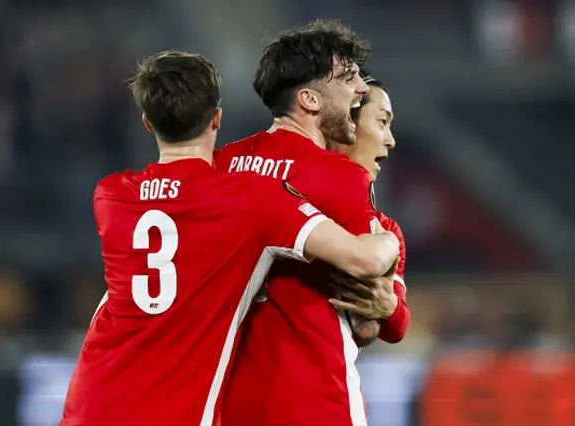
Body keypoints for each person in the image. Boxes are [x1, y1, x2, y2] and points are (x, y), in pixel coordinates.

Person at [59, 50, 400, 426]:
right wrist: (390, 240)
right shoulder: (248, 199)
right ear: (217, 119)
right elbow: (364, 259)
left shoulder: (110, 195)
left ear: (148, 123)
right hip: (174, 413)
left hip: (90, 403)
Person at [214, 20, 396, 426]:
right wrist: (391, 257)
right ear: (310, 100)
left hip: (229, 400)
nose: (361, 89)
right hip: (316, 400)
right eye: (348, 78)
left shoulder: (223, 164)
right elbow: (373, 325)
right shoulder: (339, 176)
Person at [327, 74, 411, 346]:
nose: (391, 141)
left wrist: (387, 306)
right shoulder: (290, 195)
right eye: (382, 122)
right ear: (348, 122)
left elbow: (395, 329)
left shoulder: (387, 231)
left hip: (335, 383)